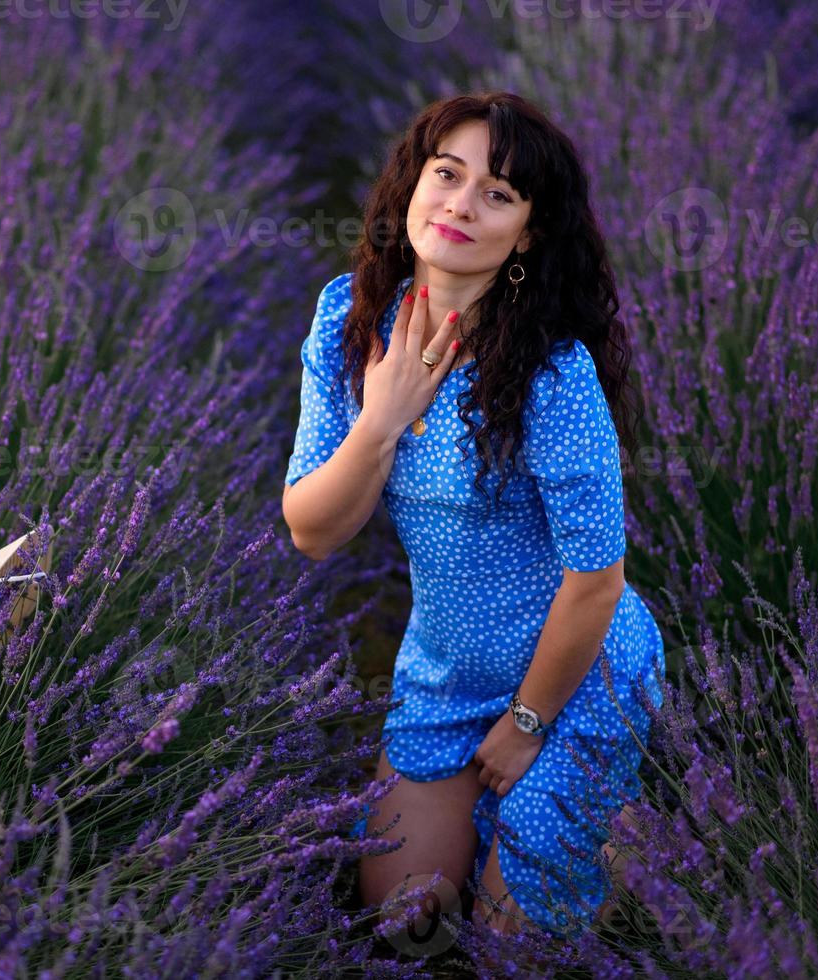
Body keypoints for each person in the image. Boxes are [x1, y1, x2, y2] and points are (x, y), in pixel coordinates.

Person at [280, 91, 665, 943]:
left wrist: (526, 726)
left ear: (526, 233)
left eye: (497, 193)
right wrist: (379, 420)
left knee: (508, 943)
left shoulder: (551, 375)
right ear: (412, 183)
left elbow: (597, 581)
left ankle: (618, 817)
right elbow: (313, 530)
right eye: (446, 175)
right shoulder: (347, 319)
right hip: (446, 669)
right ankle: (523, 821)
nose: (459, 204)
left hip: (569, 674)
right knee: (400, 916)